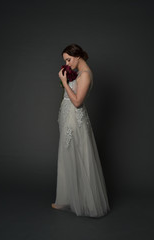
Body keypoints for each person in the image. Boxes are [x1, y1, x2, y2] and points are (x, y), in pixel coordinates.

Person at [51, 43, 110, 217]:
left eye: (68, 59)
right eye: (65, 60)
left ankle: (88, 203)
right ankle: (67, 198)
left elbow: (77, 102)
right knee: (68, 157)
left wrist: (64, 82)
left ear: (77, 56)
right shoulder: (78, 74)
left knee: (80, 157)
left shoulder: (85, 75)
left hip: (75, 121)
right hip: (69, 121)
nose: (67, 63)